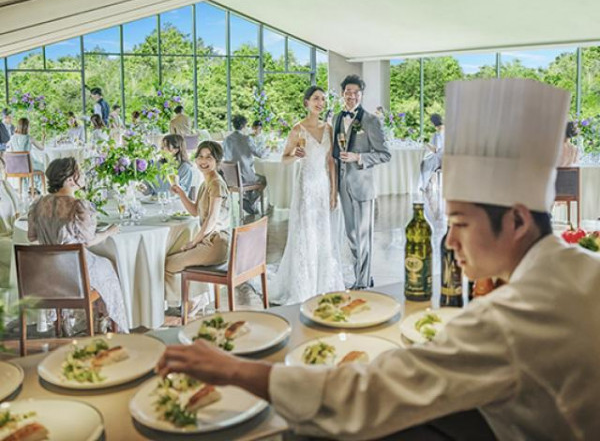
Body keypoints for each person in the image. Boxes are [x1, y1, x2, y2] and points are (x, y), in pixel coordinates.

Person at [158, 78, 600, 441]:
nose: (449, 242)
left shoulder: (509, 319)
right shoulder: (582, 267)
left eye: (461, 223)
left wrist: (236, 370)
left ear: (518, 220)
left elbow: (372, 392)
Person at [27, 158, 128, 332]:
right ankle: (103, 318)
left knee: (101, 265)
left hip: (48, 273)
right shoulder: (78, 206)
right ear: (70, 180)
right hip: (73, 273)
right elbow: (88, 240)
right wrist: (109, 232)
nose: (82, 176)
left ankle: (73, 319)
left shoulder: (38, 205)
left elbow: (31, 237)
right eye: (79, 173)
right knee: (109, 264)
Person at [269, 86, 343, 305]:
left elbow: (331, 161)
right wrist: (295, 155)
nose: (320, 103)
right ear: (306, 102)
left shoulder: (329, 128)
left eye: (322, 99)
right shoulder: (297, 129)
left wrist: (334, 192)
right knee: (305, 234)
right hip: (305, 188)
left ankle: (323, 284)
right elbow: (284, 159)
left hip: (323, 186)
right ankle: (303, 286)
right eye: (315, 99)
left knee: (323, 235)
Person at [332, 74, 391, 289]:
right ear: (342, 94)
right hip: (342, 185)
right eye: (348, 92)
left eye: (356, 93)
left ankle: (362, 282)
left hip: (363, 186)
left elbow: (385, 154)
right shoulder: (336, 118)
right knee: (351, 235)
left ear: (361, 95)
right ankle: (362, 275)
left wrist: (359, 157)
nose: (352, 96)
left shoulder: (371, 121)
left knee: (363, 235)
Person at [166, 141, 230, 311]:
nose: (203, 161)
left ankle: (189, 302)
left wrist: (193, 243)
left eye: (209, 157)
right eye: (200, 156)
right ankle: (195, 299)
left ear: (217, 160)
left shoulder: (216, 184)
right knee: (172, 257)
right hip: (209, 240)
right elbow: (195, 211)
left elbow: (212, 220)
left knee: (168, 264)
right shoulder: (206, 182)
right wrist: (181, 192)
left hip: (216, 243)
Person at [222, 115, 267, 215]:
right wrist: (268, 148)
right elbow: (260, 154)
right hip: (245, 178)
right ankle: (249, 201)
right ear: (244, 126)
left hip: (230, 178)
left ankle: (248, 202)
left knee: (250, 176)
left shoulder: (226, 140)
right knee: (263, 179)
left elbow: (223, 156)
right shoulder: (247, 139)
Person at [0, 157, 19, 288]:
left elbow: (18, 208)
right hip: (1, 238)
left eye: (1, 168)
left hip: (13, 232)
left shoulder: (5, 185)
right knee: (22, 254)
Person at [419, 113, 445, 191]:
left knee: (423, 162)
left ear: (433, 122)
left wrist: (425, 142)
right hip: (447, 157)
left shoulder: (437, 134)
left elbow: (435, 150)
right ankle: (428, 183)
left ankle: (426, 184)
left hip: (440, 158)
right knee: (428, 159)